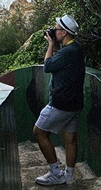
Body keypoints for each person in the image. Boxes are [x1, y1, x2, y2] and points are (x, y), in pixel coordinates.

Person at [33, 14, 85, 186]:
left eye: (56, 29)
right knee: (70, 139)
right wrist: (55, 47)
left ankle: (55, 173)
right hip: (75, 104)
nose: (54, 31)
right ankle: (69, 175)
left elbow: (47, 66)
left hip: (61, 104)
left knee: (39, 132)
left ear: (63, 33)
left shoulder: (68, 52)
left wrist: (50, 45)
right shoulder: (76, 48)